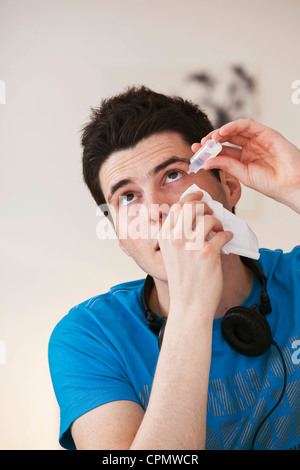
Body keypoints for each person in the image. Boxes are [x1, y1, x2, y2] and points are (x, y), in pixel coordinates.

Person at [48, 86, 300, 450]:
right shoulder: (89, 337)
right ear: (120, 236)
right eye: (128, 196)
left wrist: (296, 186)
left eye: (172, 175)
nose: (156, 211)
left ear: (229, 188)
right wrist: (191, 305)